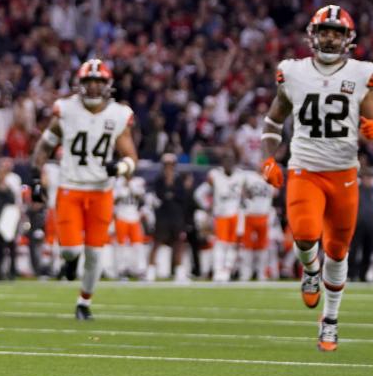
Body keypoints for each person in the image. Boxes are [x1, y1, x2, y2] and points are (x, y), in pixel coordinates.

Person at [261, 4, 373, 351]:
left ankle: (330, 321)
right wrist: (268, 158)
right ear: (312, 35)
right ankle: (309, 271)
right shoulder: (293, 72)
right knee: (304, 235)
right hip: (304, 168)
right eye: (324, 31)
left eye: (336, 32)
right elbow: (273, 122)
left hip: (344, 172)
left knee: (337, 250)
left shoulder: (363, 73)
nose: (330, 38)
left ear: (348, 39)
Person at [31, 59, 138, 320]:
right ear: (80, 84)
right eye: (88, 82)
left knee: (95, 253)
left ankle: (84, 302)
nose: (92, 88)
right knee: (71, 250)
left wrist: (120, 168)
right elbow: (43, 147)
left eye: (98, 82)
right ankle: (69, 260)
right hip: (70, 187)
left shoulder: (118, 114)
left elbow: (132, 159)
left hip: (101, 191)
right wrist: (36, 179)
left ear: (107, 85)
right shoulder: (66, 110)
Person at [193, 148, 245, 282]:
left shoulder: (241, 176)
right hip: (221, 214)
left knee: (233, 244)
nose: (229, 161)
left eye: (231, 158)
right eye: (226, 159)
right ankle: (218, 270)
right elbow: (199, 193)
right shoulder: (215, 175)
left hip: (235, 214)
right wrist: (207, 207)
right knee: (221, 244)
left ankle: (227, 270)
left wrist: (244, 203)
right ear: (222, 161)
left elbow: (246, 193)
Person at [146, 153, 192, 281]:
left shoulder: (179, 180)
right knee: (157, 243)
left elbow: (182, 198)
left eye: (171, 165)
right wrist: (168, 189)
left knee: (179, 244)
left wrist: (171, 191)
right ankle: (150, 272)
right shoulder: (159, 180)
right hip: (162, 217)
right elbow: (160, 196)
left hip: (176, 217)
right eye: (166, 165)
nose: (169, 167)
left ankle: (179, 272)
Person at [239, 168, 276, 281]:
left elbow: (274, 194)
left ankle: (261, 273)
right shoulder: (248, 175)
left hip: (264, 215)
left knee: (263, 246)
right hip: (250, 214)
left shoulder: (271, 179)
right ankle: (246, 273)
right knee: (247, 246)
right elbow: (241, 188)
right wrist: (245, 197)